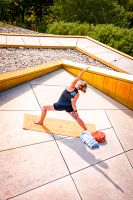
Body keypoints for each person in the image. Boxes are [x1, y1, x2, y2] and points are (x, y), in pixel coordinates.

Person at [34, 67, 90, 132]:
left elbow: (78, 78)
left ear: (80, 85)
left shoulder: (72, 86)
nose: (80, 81)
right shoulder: (77, 94)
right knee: (76, 118)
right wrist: (75, 112)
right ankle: (85, 129)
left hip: (60, 105)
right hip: (68, 106)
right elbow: (73, 104)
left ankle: (41, 121)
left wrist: (83, 70)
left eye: (81, 82)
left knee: (44, 108)